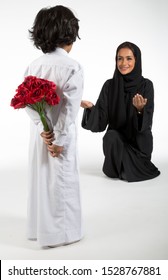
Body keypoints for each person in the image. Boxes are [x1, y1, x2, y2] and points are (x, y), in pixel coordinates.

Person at [24, 5, 84, 247]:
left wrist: (42, 127)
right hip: (60, 137)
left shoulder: (34, 66)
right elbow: (68, 109)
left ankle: (38, 228)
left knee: (41, 180)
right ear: (69, 34)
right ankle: (62, 234)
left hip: (39, 136)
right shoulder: (73, 67)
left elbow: (26, 101)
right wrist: (58, 140)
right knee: (62, 182)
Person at [81, 41, 160, 182]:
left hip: (139, 144)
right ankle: (123, 167)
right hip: (117, 143)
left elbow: (146, 125)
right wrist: (91, 108)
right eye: (120, 58)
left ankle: (128, 167)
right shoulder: (109, 86)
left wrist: (140, 111)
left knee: (135, 150)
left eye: (129, 58)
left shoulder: (146, 85)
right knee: (111, 136)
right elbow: (101, 122)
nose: (123, 63)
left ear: (137, 60)